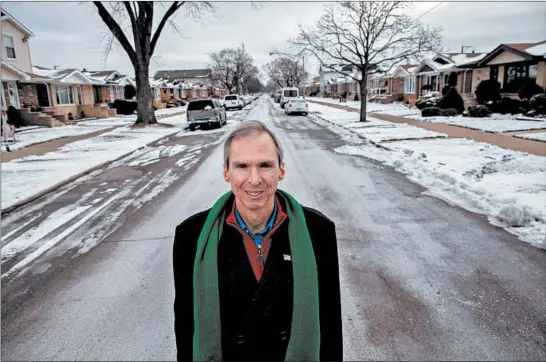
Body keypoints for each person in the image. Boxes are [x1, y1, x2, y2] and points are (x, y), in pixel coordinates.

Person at [173, 120, 343, 361]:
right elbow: (185, 326)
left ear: (280, 170)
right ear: (226, 172)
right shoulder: (192, 236)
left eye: (265, 165)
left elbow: (330, 325)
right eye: (242, 166)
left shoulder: (318, 231)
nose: (254, 179)